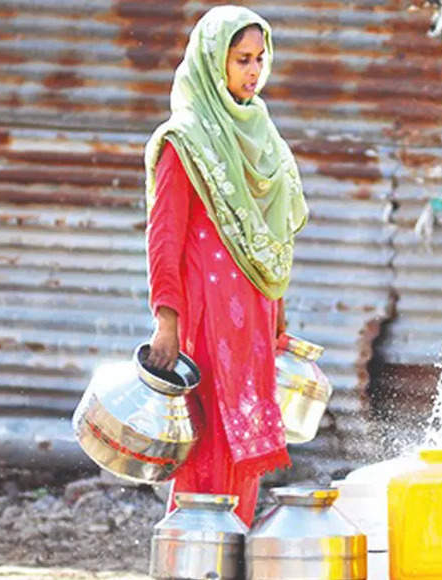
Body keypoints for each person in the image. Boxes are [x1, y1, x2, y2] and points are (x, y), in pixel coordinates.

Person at [142, 5, 308, 526]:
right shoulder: (186, 139)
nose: (253, 72)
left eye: (260, 59)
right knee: (206, 439)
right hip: (206, 315)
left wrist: (278, 312)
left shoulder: (265, 137)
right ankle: (192, 554)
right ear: (215, 63)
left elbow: (274, 233)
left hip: (254, 318)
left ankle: (230, 550)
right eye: (241, 60)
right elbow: (164, 236)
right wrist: (165, 321)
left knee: (245, 443)